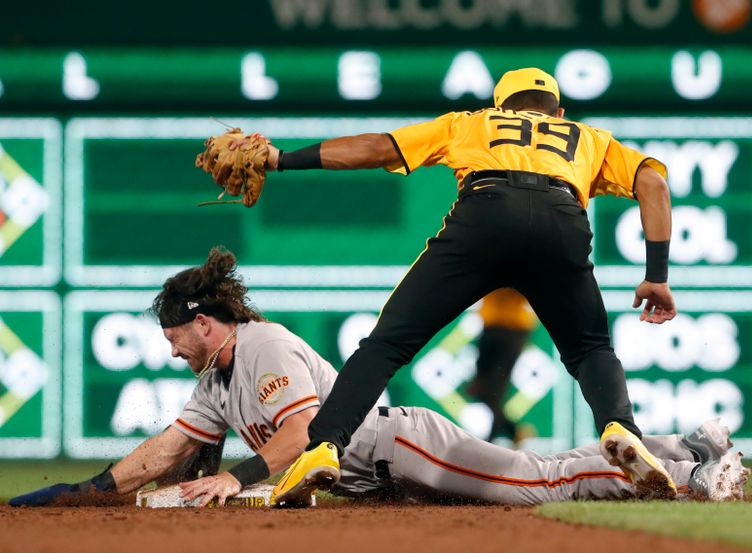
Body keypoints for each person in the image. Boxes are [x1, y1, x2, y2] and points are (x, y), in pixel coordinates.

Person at [204, 67, 679, 502]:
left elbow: (377, 147)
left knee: (386, 345)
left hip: (486, 212)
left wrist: (283, 158)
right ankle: (621, 428)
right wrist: (656, 276)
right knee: (591, 351)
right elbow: (653, 184)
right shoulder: (588, 139)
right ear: (558, 113)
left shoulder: (472, 123)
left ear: (500, 108)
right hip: (562, 221)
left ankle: (324, 447)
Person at [8, 248, 749, 508]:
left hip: (394, 446)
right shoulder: (215, 380)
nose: (169, 347)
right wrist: (73, 494)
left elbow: (301, 434)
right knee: (536, 473)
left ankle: (691, 472)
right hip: (384, 472)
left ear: (205, 322)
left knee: (538, 481)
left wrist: (235, 478)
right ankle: (683, 447)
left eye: (173, 332)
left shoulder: (260, 346)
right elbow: (164, 452)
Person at [468, 288, 538, 445]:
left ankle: (490, 443)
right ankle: (513, 432)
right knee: (480, 389)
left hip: (513, 329)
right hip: (491, 327)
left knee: (494, 391)